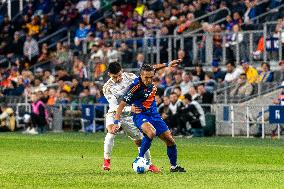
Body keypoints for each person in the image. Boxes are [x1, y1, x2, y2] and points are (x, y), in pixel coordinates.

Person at [114, 63, 186, 172]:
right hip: (140, 115)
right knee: (151, 132)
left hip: (154, 115)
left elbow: (155, 67)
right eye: (146, 77)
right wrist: (116, 122)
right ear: (141, 76)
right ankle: (139, 158)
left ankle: (174, 167)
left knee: (170, 141)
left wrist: (168, 64)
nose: (148, 80)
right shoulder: (135, 87)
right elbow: (121, 105)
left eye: (151, 77)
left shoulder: (150, 74)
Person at [102, 62, 158, 172]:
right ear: (109, 74)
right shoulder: (107, 88)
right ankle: (106, 161)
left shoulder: (131, 77)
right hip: (114, 113)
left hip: (130, 115)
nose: (118, 78)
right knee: (111, 131)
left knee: (139, 140)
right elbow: (114, 106)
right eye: (114, 76)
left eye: (119, 75)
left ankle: (149, 164)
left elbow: (141, 88)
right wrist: (129, 109)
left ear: (122, 71)